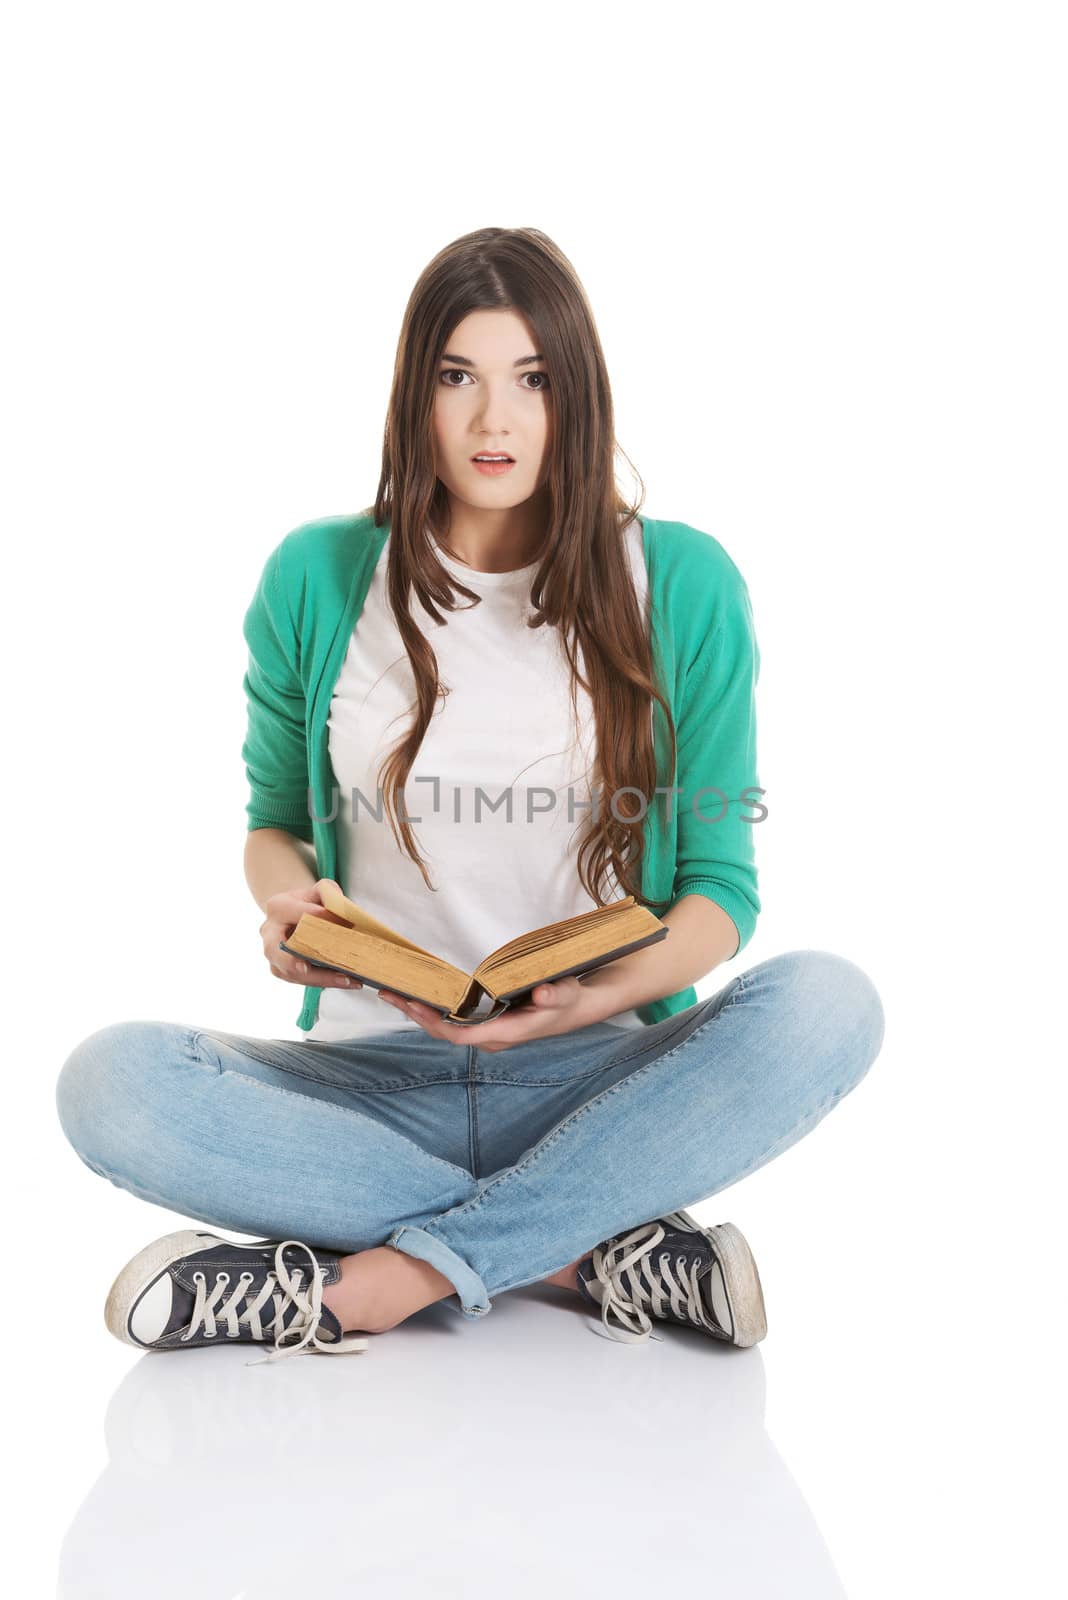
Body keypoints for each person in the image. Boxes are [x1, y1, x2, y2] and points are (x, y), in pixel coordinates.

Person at [56, 226, 886, 1366]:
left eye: (531, 381)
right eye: (460, 377)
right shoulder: (318, 575)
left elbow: (718, 892)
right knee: (111, 1085)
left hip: (594, 1074)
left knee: (830, 1004)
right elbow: (274, 825)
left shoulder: (682, 582)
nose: (494, 421)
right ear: (417, 396)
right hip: (366, 1079)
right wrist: (292, 910)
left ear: (575, 397)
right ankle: (585, 1251)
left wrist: (588, 1004)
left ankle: (369, 1285)